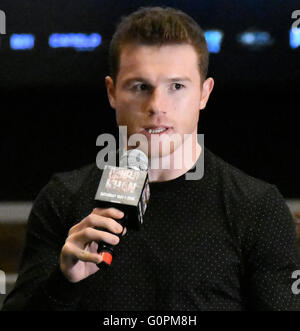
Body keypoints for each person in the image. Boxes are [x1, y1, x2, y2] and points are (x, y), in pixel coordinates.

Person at [2, 6, 300, 311]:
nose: (157, 105)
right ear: (112, 92)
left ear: (204, 93)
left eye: (177, 86)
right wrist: (63, 282)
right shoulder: (63, 200)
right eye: (140, 86)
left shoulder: (258, 209)